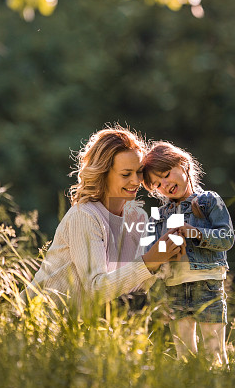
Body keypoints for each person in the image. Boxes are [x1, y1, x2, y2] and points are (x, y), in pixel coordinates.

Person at [19, 127, 185, 313]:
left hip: (82, 328)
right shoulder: (85, 216)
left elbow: (133, 285)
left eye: (139, 172)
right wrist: (149, 261)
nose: (136, 181)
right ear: (103, 174)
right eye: (125, 174)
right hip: (35, 320)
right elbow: (96, 288)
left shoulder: (138, 217)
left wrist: (163, 258)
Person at [141, 141, 234, 366]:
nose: (164, 185)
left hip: (207, 283)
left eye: (165, 175)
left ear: (183, 164)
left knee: (215, 352)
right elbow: (148, 254)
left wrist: (196, 233)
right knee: (184, 355)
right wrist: (165, 249)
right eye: (157, 185)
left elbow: (227, 238)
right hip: (174, 287)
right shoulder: (158, 215)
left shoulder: (209, 201)